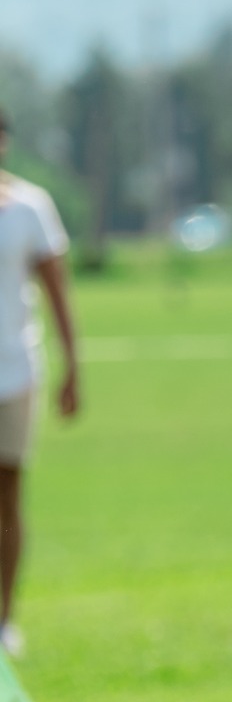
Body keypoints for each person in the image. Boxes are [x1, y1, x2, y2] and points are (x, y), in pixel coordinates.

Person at [0, 110, 78, 659]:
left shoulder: (30, 207)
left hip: (16, 371)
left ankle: (4, 619)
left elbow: (57, 292)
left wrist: (74, 366)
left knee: (7, 495)